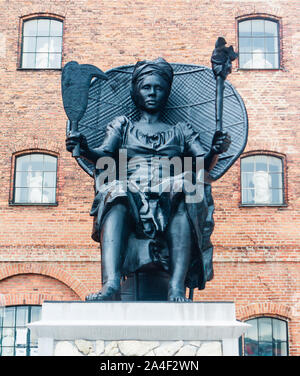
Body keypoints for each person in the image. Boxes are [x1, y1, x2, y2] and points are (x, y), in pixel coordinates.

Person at [66, 58, 231, 302]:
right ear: (136, 91)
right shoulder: (122, 126)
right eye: (146, 87)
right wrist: (85, 148)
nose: (152, 92)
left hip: (171, 192)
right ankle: (111, 284)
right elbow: (104, 157)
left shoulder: (181, 130)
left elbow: (203, 165)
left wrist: (216, 150)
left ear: (166, 92)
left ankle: (176, 287)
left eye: (159, 87)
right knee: (115, 191)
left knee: (187, 187)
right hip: (131, 191)